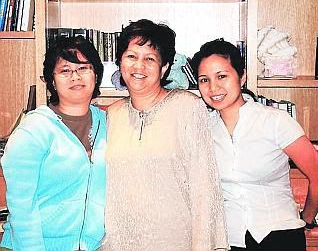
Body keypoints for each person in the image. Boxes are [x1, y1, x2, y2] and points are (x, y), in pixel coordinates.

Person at [100, 19, 229, 251]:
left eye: (150, 58)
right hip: (119, 242)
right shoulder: (112, 115)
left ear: (165, 67)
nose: (139, 66)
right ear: (120, 62)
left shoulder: (187, 107)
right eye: (131, 56)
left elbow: (204, 188)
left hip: (175, 241)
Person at [191, 38, 318, 251]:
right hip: (228, 239)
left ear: (242, 76)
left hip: (280, 236)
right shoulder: (203, 129)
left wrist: (307, 220)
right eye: (204, 80)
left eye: (222, 76)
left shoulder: (275, 121)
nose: (213, 87)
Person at [0, 36, 107, 251]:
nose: (75, 76)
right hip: (35, 245)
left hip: (92, 245)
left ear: (96, 74)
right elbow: (22, 206)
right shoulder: (34, 129)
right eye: (65, 70)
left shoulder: (107, 122)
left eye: (83, 68)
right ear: (52, 80)